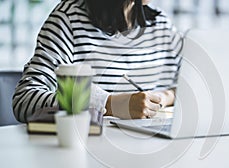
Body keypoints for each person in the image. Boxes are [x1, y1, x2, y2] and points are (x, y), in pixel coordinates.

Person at [12, 0, 182, 123]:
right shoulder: (68, 20)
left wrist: (164, 97)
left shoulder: (161, 24)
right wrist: (109, 104)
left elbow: (190, 86)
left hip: (148, 154)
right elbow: (26, 100)